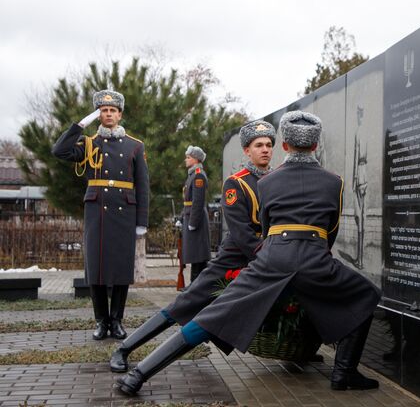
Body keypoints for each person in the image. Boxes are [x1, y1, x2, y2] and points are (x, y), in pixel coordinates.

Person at [116, 111, 381, 395]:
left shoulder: (267, 183)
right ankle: (344, 372)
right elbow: (331, 231)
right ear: (315, 145)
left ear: (285, 146)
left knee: (210, 317)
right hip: (315, 257)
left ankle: (138, 376)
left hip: (272, 256)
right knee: (367, 294)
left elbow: (267, 228)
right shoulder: (335, 182)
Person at [110, 120, 276, 372]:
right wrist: (267, 254)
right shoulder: (236, 183)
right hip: (235, 258)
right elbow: (242, 233)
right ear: (247, 151)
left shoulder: (277, 180)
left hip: (263, 258)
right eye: (258, 145)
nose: (265, 149)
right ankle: (124, 349)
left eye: (269, 145)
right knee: (185, 303)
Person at [52, 90, 149, 340]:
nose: (108, 114)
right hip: (97, 213)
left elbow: (143, 186)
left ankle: (116, 320)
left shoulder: (135, 146)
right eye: (103, 111)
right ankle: (100, 322)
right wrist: (80, 124)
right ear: (98, 115)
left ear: (120, 114)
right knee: (95, 270)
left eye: (112, 110)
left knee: (120, 270)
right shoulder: (88, 143)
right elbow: (59, 151)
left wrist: (141, 222)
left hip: (124, 213)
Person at [181, 145, 210, 282]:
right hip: (190, 217)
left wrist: (192, 222)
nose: (186, 160)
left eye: (188, 157)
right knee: (194, 255)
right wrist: (182, 217)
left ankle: (197, 284)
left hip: (196, 220)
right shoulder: (193, 175)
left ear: (196, 160)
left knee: (198, 255)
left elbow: (197, 202)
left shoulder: (198, 175)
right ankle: (195, 284)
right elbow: (187, 201)